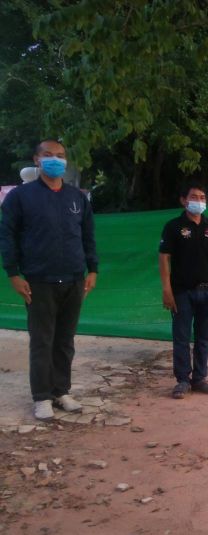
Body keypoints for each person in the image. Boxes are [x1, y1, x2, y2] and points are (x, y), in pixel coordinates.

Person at [0, 140, 98, 421]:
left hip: (74, 279)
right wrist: (13, 273)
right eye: (48, 155)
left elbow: (88, 236)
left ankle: (61, 391)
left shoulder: (76, 197)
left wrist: (92, 269)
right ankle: (42, 396)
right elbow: (7, 236)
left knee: (65, 341)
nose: (55, 160)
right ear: (36, 159)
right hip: (39, 281)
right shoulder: (21, 197)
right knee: (42, 341)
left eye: (60, 156)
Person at [159, 184, 208, 399]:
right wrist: (166, 289)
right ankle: (182, 380)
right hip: (182, 293)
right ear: (184, 200)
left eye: (202, 197)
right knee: (181, 338)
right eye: (194, 197)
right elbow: (164, 258)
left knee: (203, 338)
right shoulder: (173, 226)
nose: (199, 201)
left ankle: (199, 379)